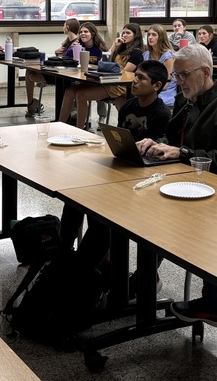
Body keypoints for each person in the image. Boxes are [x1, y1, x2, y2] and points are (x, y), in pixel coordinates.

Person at [138, 44, 217, 326]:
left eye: (184, 75)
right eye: (176, 76)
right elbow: (176, 140)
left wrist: (182, 153)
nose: (179, 81)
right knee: (139, 210)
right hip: (185, 183)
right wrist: (157, 144)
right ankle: (143, 279)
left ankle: (216, 303)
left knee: (158, 217)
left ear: (206, 72)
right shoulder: (187, 99)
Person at [60, 60, 171, 252]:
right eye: (135, 76)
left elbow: (156, 154)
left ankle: (93, 256)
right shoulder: (128, 106)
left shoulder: (162, 114)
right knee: (75, 195)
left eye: (141, 78)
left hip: (141, 175)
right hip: (121, 164)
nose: (134, 81)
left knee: (99, 206)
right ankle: (63, 249)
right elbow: (120, 139)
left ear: (156, 86)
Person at [58, 23, 142, 129]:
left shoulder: (137, 53)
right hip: (107, 80)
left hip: (118, 86)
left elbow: (124, 73)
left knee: (81, 94)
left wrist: (110, 67)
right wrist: (114, 46)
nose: (124, 35)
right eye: (123, 32)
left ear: (136, 35)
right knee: (69, 91)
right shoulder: (120, 49)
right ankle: (60, 124)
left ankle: (80, 129)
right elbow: (103, 61)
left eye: (128, 33)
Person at [25, 18, 80, 117]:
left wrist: (59, 55)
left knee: (32, 76)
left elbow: (69, 59)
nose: (63, 28)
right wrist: (56, 52)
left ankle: (32, 104)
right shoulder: (67, 41)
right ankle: (31, 104)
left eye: (64, 25)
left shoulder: (76, 43)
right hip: (58, 69)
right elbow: (61, 57)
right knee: (29, 71)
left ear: (67, 27)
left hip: (64, 73)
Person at [142, 24, 178, 107]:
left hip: (165, 91)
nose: (150, 37)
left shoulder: (167, 56)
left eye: (154, 35)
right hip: (149, 88)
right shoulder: (146, 55)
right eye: (149, 34)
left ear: (161, 37)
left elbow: (165, 84)